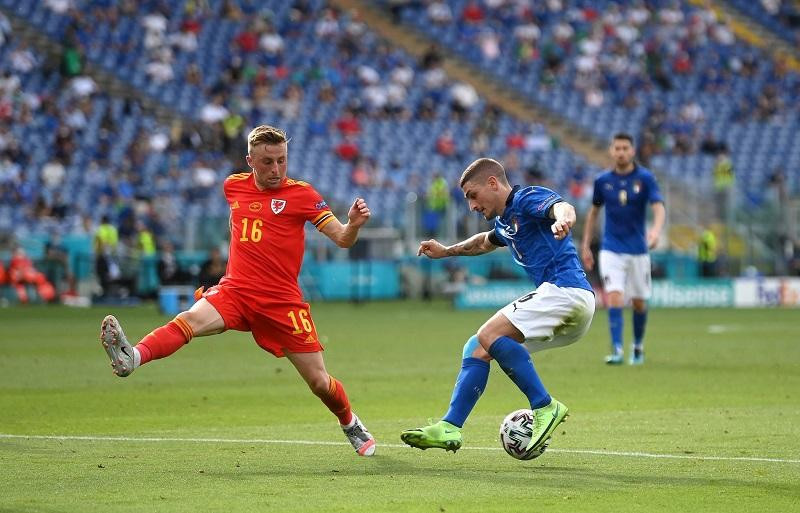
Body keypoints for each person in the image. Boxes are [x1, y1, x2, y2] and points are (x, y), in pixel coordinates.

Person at [100, 125, 376, 457]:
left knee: (319, 382)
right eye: (267, 162)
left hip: (281, 303)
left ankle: (349, 423)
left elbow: (342, 239)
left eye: (281, 161)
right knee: (188, 320)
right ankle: (133, 358)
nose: (275, 170)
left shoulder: (302, 195)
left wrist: (354, 225)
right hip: (237, 291)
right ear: (250, 161)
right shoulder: (233, 186)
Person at [400, 158, 595, 455]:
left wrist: (563, 219)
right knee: (477, 346)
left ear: (493, 183)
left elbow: (561, 206)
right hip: (569, 306)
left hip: (565, 292)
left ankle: (545, 406)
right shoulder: (505, 223)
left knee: (489, 334)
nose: (472, 206)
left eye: (472, 196)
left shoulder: (526, 199)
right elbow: (482, 243)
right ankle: (450, 426)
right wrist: (446, 251)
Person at [580, 133, 665, 365]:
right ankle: (617, 350)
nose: (621, 152)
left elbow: (658, 207)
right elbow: (594, 212)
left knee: (638, 302)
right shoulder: (602, 180)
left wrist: (656, 231)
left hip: (638, 249)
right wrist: (586, 243)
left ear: (632, 151)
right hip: (611, 248)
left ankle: (637, 347)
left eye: (625, 148)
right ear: (611, 150)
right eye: (617, 148)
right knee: (614, 296)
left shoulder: (645, 178)